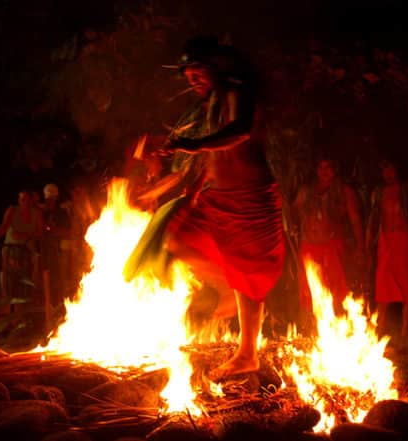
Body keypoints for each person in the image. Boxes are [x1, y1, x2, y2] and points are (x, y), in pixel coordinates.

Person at [129, 36, 285, 379]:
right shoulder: (210, 104)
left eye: (197, 71)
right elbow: (213, 153)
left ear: (216, 66)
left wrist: (194, 144)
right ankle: (226, 288)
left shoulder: (235, 92)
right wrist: (195, 185)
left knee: (250, 273)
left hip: (250, 195)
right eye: (187, 76)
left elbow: (240, 131)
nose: (192, 80)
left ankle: (247, 354)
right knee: (177, 239)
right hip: (219, 196)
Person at [292, 157, 364, 319]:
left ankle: (338, 322)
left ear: (335, 169)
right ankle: (310, 325)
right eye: (320, 167)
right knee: (308, 286)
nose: (324, 171)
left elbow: (355, 219)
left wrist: (360, 246)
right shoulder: (306, 191)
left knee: (336, 285)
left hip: (332, 244)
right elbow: (294, 210)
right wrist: (294, 226)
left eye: (328, 167)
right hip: (309, 245)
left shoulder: (344, 191)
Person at [366, 159, 408, 338]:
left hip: (405, 239)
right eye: (384, 171)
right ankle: (379, 328)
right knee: (383, 287)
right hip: (385, 242)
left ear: (397, 170)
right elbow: (372, 221)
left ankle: (405, 331)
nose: (388, 174)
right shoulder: (378, 192)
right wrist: (368, 246)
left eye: (390, 170)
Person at [0, 190, 43, 324]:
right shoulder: (12, 210)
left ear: (31, 201)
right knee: (7, 284)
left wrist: (27, 237)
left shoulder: (37, 213)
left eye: (27, 199)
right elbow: (4, 226)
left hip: (27, 253)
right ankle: (1, 321)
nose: (24, 202)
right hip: (10, 251)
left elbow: (40, 232)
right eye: (21, 199)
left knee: (24, 286)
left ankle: (19, 320)